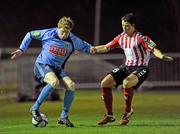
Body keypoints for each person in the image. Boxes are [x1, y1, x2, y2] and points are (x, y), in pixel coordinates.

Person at [11, 16, 94, 127]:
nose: (64, 35)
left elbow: (89, 48)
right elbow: (30, 34)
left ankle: (63, 117)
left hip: (57, 69)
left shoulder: (73, 39)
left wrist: (101, 48)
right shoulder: (48, 33)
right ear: (58, 28)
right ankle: (34, 108)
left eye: (67, 32)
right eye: (62, 32)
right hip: (42, 65)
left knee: (71, 85)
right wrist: (22, 49)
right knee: (53, 82)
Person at [92, 13, 173, 126]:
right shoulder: (121, 37)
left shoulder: (141, 38)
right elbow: (106, 47)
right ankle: (109, 115)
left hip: (141, 68)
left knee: (127, 83)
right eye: (123, 26)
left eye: (127, 26)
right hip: (127, 67)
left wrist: (161, 56)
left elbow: (154, 49)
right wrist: (91, 49)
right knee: (105, 83)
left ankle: (127, 112)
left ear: (133, 25)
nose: (124, 28)